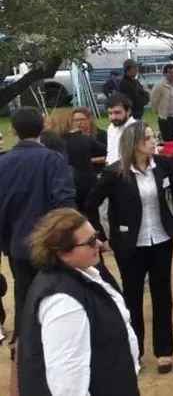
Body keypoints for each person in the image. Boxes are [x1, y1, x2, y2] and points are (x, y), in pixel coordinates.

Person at [83, 122, 173, 373]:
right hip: (129, 243)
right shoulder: (116, 172)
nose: (154, 141)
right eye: (148, 138)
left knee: (163, 295)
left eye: (153, 137)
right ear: (135, 143)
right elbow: (91, 202)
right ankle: (134, 350)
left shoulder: (163, 165)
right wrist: (102, 234)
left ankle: (164, 351)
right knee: (133, 297)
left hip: (161, 239)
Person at [18, 209, 140, 396]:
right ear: (63, 253)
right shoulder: (64, 303)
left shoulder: (83, 274)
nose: (99, 244)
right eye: (90, 242)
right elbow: (68, 384)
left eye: (96, 236)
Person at [0, 107, 77, 351]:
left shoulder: (3, 162)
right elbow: (64, 202)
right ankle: (53, 344)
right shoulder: (52, 159)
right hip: (49, 244)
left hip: (16, 243)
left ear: (13, 130)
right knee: (56, 294)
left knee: (23, 294)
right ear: (43, 127)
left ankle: (23, 346)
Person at [48, 109, 106, 210]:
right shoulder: (83, 139)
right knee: (92, 218)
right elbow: (108, 152)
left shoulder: (50, 142)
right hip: (88, 186)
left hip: (65, 188)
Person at [150, 63, 173, 141]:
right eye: (169, 72)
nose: (172, 74)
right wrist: (160, 112)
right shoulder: (160, 85)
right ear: (164, 73)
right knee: (168, 141)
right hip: (167, 119)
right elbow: (154, 101)